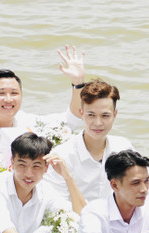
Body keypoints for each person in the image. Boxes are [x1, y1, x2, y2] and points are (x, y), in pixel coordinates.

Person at [0, 45, 85, 166]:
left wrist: (78, 83)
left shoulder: (30, 122)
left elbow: (72, 121)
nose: (8, 99)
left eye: (14, 93)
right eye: (1, 93)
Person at [43, 79, 132, 213]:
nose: (98, 123)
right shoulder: (61, 156)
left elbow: (147, 190)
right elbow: (58, 208)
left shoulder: (123, 147)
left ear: (115, 115)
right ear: (81, 113)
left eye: (105, 116)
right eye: (91, 115)